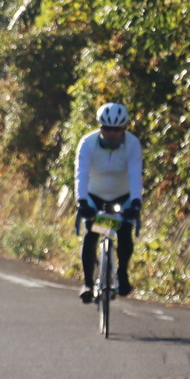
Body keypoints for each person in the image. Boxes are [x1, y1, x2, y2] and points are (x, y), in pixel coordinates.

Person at [74, 102, 144, 302]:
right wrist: (82, 201)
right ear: (100, 127)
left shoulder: (132, 143)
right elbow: (81, 174)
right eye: (107, 128)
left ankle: (122, 272)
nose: (112, 133)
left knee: (124, 232)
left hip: (123, 194)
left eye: (117, 129)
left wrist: (136, 202)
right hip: (94, 195)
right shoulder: (87, 143)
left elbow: (135, 174)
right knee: (92, 233)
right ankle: (88, 282)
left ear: (124, 128)